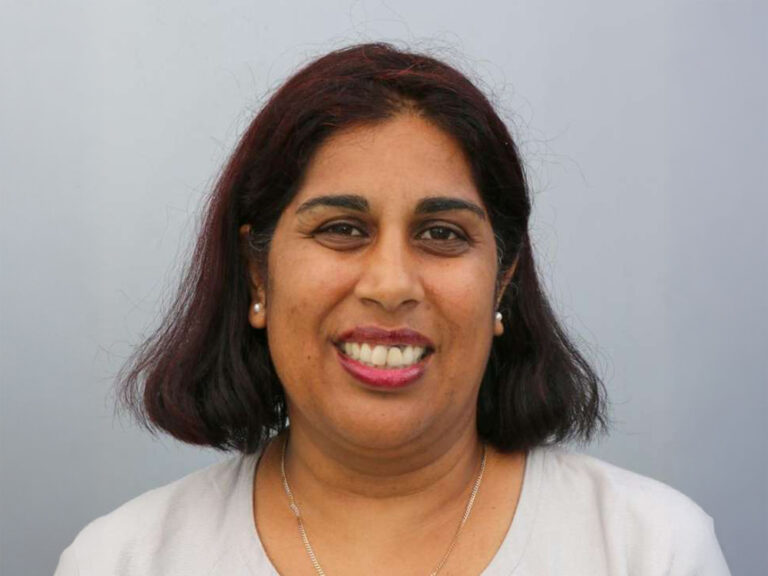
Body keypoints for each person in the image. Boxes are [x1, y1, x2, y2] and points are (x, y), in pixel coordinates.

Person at [54, 43, 731, 575]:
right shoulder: (122, 561)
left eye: (442, 234)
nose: (391, 284)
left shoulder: (649, 550)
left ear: (503, 281)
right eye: (342, 228)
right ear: (258, 273)